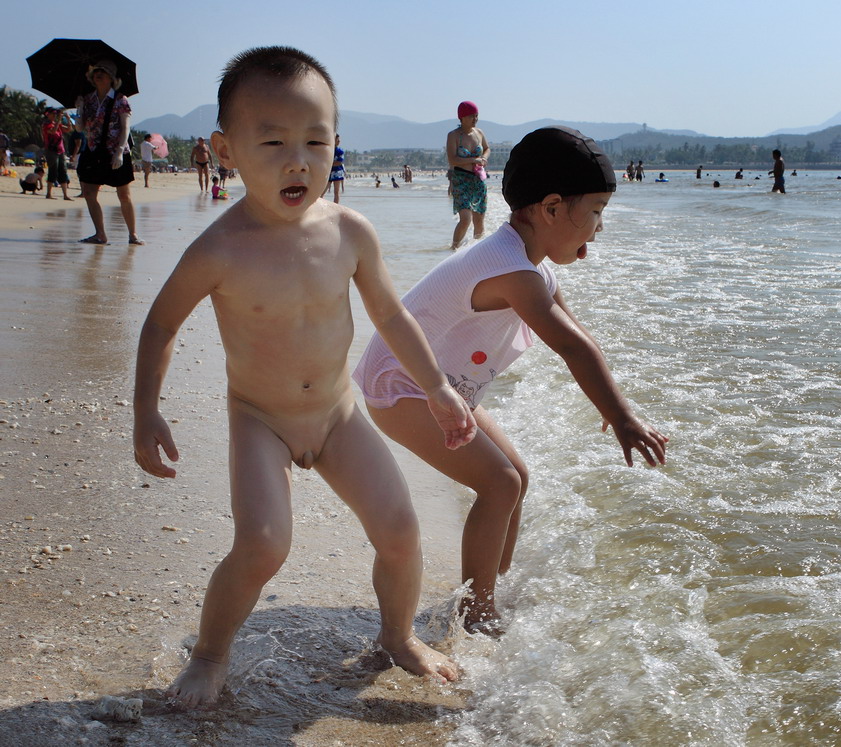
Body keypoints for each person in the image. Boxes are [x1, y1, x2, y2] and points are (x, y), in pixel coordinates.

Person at [132, 46, 474, 709]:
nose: (298, 160)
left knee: (400, 530)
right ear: (225, 149)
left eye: (316, 141)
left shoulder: (350, 231)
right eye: (273, 142)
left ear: (336, 145)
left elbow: (393, 315)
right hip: (260, 418)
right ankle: (210, 653)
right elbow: (160, 324)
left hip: (337, 414)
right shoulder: (219, 248)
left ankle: (399, 635)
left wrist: (437, 386)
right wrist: (147, 411)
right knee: (262, 543)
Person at [354, 126, 668, 632]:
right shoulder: (512, 271)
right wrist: (622, 417)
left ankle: (487, 586)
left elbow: (579, 337)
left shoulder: (531, 267)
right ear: (549, 207)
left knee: (516, 479)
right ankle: (476, 612)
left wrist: (613, 400)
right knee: (497, 483)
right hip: (403, 384)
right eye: (595, 212)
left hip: (441, 387)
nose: (599, 228)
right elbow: (571, 347)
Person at [74, 60, 144, 245]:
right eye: (96, 72)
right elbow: (80, 127)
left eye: (103, 72)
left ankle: (133, 234)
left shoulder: (121, 99)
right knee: (89, 192)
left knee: (123, 195)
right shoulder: (88, 100)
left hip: (116, 150)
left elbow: (125, 127)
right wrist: (79, 109)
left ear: (112, 79)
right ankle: (100, 234)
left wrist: (120, 151)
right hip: (93, 150)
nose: (98, 75)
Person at [446, 100, 490, 249]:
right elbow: (452, 159)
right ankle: (454, 249)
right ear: (462, 118)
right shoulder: (453, 136)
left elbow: (487, 148)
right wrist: (473, 159)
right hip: (461, 180)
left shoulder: (479, 133)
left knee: (479, 221)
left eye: (476, 116)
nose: (475, 119)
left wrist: (484, 158)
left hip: (478, 180)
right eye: (472, 116)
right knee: (465, 219)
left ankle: (478, 252)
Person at [41, 107, 74, 200]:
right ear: (48, 114)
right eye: (53, 114)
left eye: (56, 114)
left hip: (60, 150)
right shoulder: (46, 124)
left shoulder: (56, 124)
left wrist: (68, 119)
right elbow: (53, 131)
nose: (55, 115)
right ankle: (48, 193)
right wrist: (59, 120)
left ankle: (65, 194)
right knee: (53, 170)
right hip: (51, 150)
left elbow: (68, 129)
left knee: (63, 171)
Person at [323, 134, 345, 203]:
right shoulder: (328, 150)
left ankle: (336, 205)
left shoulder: (340, 151)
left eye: (339, 140)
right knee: (323, 190)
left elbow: (339, 162)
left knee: (336, 192)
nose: (339, 141)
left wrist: (330, 163)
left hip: (337, 172)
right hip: (329, 171)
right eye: (337, 140)